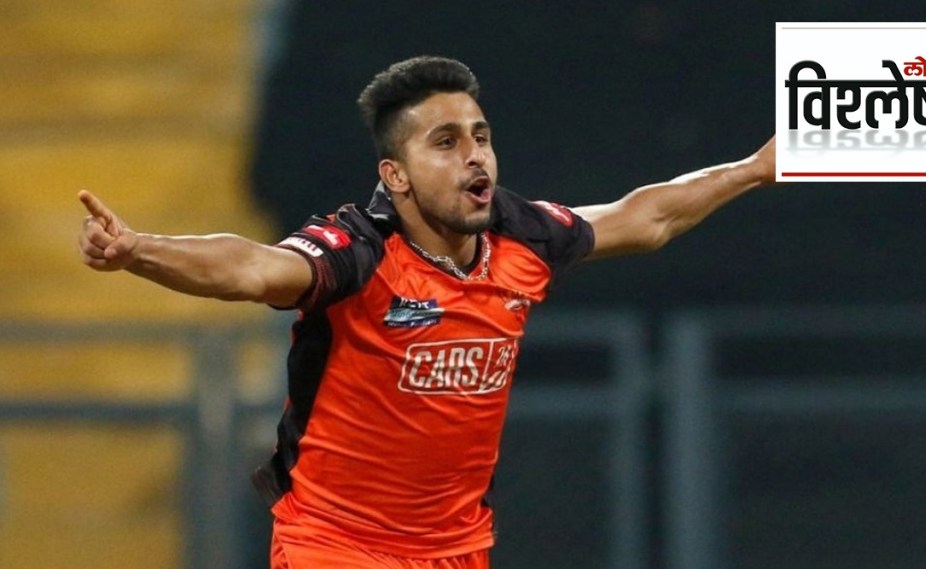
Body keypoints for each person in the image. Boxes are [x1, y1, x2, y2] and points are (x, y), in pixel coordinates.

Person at [77, 55, 776, 569]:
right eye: (446, 142)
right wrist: (139, 250)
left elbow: (645, 218)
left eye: (481, 136)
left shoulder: (523, 237)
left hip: (458, 547)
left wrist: (752, 168)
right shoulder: (358, 251)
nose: (475, 157)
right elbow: (252, 267)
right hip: (335, 544)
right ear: (396, 175)